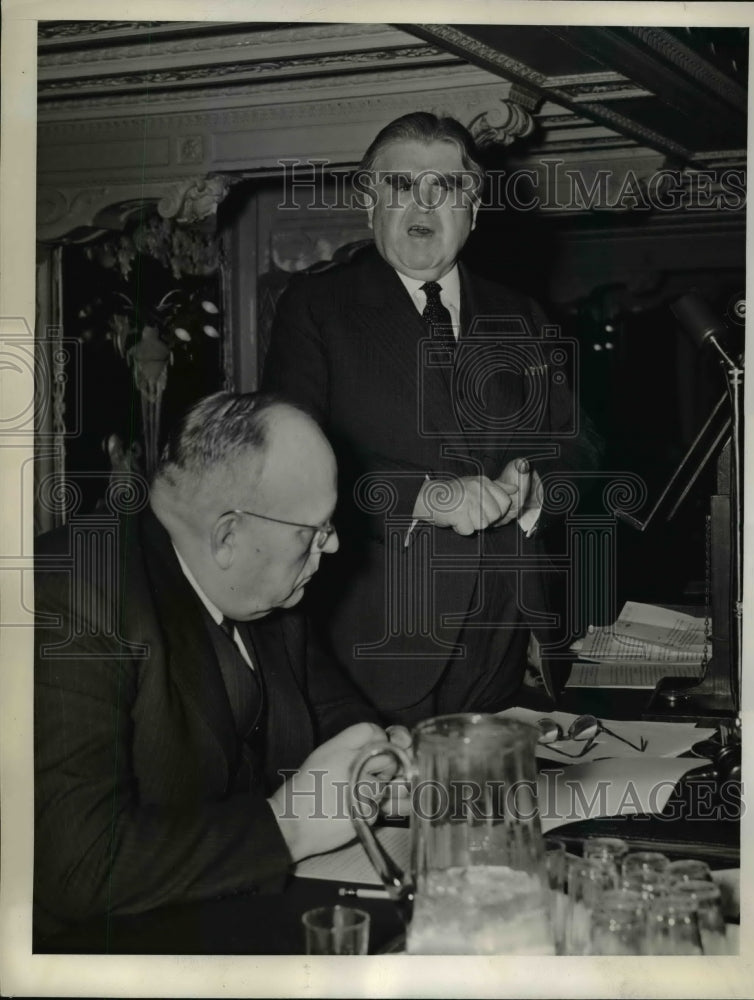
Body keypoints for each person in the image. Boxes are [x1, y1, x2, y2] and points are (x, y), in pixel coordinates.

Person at [262, 111, 603, 726]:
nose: (422, 203)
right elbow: (286, 469)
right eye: (398, 186)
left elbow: (580, 448)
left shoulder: (521, 312)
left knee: (495, 813)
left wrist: (535, 493)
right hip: (378, 644)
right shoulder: (317, 308)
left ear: (471, 208)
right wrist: (426, 496)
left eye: (443, 187)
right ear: (370, 205)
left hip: (509, 634)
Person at [34, 392, 403, 940]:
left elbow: (333, 710)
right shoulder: (73, 596)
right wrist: (289, 827)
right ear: (229, 535)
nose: (333, 545)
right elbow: (79, 864)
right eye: (314, 531)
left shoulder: (264, 585)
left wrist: (379, 756)